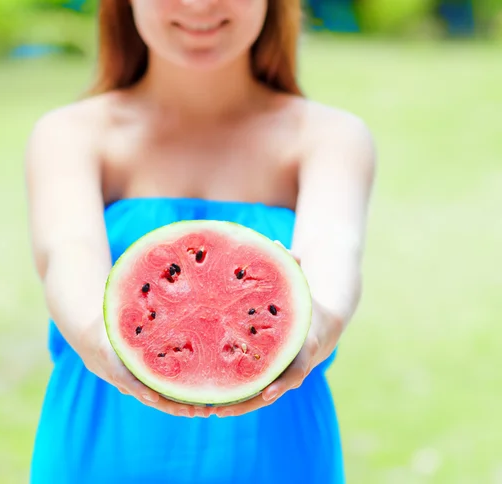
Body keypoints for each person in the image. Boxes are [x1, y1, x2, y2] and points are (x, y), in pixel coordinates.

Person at [25, 1, 376, 482]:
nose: (199, 5)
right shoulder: (70, 134)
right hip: (104, 450)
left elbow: (336, 251)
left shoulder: (331, 137)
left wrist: (316, 328)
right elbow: (68, 253)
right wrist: (100, 339)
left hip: (277, 457)